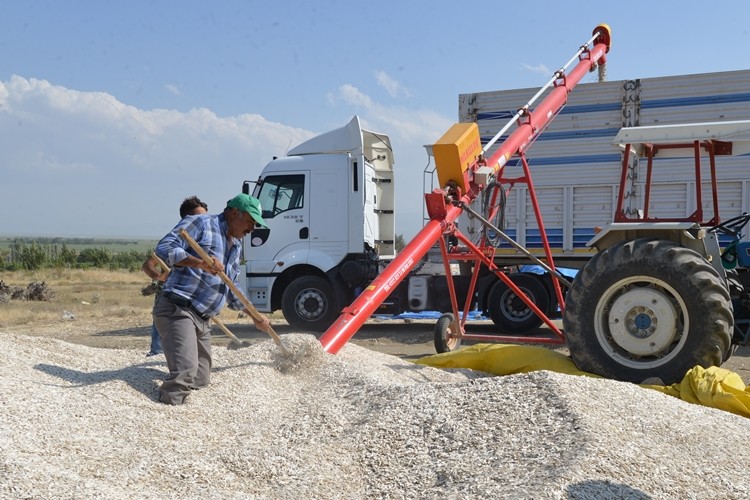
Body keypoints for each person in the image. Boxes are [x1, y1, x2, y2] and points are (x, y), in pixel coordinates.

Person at [153, 193, 271, 405]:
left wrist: (254, 315)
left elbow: (232, 288)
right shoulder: (202, 223)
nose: (252, 229)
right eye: (251, 222)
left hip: (203, 318)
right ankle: (167, 409)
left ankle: (188, 401)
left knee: (201, 377)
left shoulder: (235, 246)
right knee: (185, 374)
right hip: (179, 309)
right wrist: (200, 263)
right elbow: (164, 248)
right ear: (235, 213)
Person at [141, 196, 208, 357]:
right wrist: (160, 277)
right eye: (199, 217)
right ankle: (156, 354)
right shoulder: (175, 240)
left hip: (192, 293)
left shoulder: (203, 240)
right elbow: (148, 265)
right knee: (163, 326)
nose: (204, 221)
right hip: (169, 291)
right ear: (188, 218)